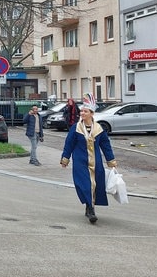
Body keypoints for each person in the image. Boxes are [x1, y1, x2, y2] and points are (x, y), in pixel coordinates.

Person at [60, 93, 117, 224]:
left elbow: (105, 145)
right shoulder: (76, 128)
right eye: (81, 111)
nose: (82, 113)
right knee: (85, 185)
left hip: (96, 161)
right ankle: (91, 210)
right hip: (80, 161)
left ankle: (89, 206)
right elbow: (69, 144)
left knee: (95, 184)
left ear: (92, 113)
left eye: (85, 111)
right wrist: (65, 159)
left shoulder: (99, 128)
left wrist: (111, 161)